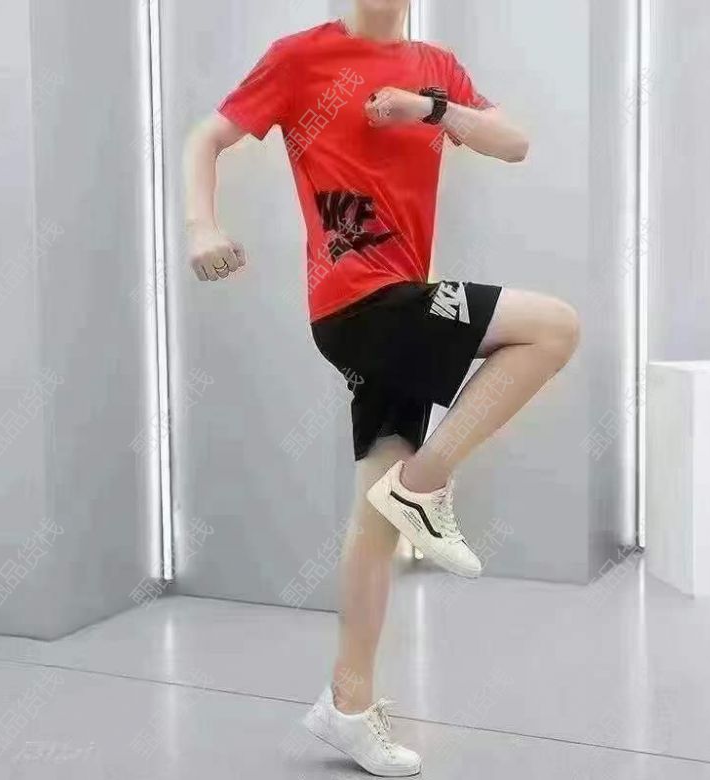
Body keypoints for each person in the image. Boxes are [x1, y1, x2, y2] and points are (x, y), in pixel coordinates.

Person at [184, 1, 579, 775]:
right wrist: (202, 226)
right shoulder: (301, 57)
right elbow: (209, 135)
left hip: (400, 301)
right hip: (359, 303)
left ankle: (347, 705)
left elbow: (514, 142)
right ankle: (424, 488)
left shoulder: (434, 67)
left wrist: (429, 109)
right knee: (554, 327)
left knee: (375, 517)